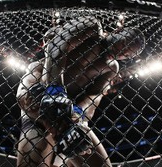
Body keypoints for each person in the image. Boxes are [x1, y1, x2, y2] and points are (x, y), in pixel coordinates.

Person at [16, 16, 145, 167]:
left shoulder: (111, 67)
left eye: (129, 55)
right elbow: (56, 45)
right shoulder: (91, 28)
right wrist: (55, 89)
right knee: (35, 154)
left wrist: (76, 114)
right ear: (119, 30)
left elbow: (93, 96)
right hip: (40, 87)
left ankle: (62, 138)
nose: (123, 52)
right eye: (126, 43)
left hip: (68, 108)